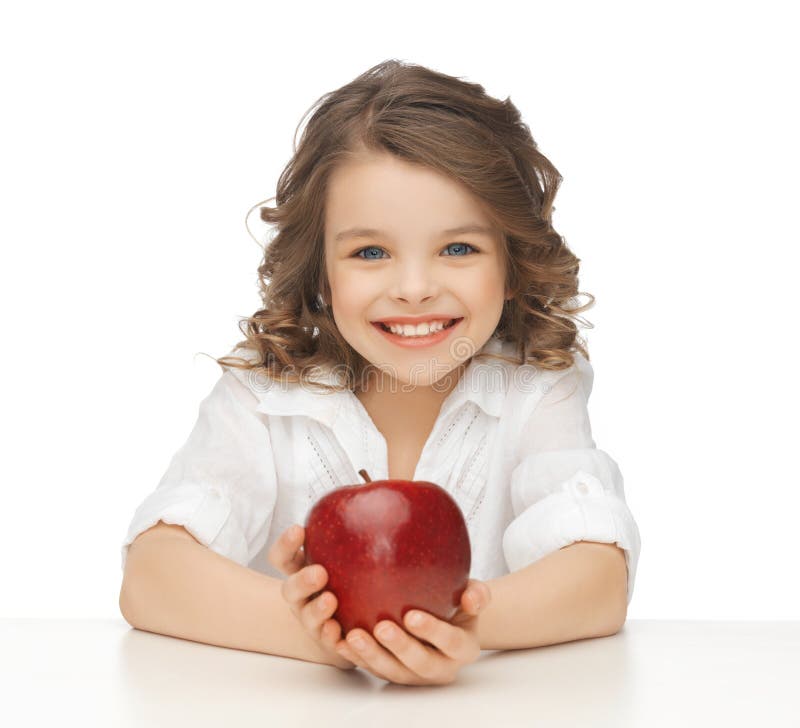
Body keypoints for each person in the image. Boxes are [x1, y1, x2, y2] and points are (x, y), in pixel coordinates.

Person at [119, 59, 641, 687]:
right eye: (370, 252)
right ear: (320, 271)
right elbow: (151, 576)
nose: (415, 289)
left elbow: (599, 577)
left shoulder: (535, 385)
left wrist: (458, 626)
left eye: (458, 249)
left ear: (512, 265)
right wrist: (326, 632)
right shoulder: (265, 391)